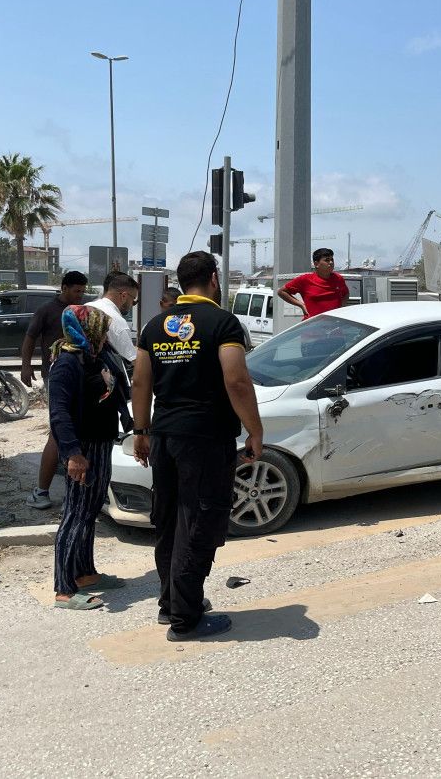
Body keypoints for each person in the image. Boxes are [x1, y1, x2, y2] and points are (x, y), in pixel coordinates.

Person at [131, 250, 264, 641]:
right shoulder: (223, 323)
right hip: (206, 438)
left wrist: (141, 431)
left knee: (170, 520)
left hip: (164, 436)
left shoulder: (155, 325)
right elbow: (236, 381)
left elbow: (140, 382)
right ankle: (185, 619)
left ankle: (171, 603)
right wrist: (254, 431)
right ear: (214, 279)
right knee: (200, 521)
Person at [48, 304, 130, 609]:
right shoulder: (67, 362)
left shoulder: (95, 355)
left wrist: (131, 423)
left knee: (89, 512)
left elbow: (116, 392)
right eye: (102, 329)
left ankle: (85, 574)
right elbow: (58, 413)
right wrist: (73, 454)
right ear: (87, 330)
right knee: (76, 514)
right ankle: (64, 589)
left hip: (101, 443)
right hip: (82, 448)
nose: (106, 335)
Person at [21, 271, 88, 509]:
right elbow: (30, 338)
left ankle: (74, 493)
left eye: (83, 291)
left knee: (72, 429)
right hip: (56, 376)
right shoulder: (47, 310)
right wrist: (26, 366)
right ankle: (42, 491)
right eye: (76, 291)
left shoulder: (82, 311)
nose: (80, 295)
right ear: (64, 288)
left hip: (80, 376)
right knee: (59, 431)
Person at [89, 271, 139, 386]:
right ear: (124, 296)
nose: (132, 304)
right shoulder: (117, 321)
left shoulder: (87, 307)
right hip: (103, 384)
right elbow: (132, 360)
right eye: (133, 300)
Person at [278, 247, 349, 319]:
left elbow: (346, 294)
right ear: (316, 264)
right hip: (312, 324)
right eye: (327, 260)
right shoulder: (305, 279)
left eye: (332, 259)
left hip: (333, 323)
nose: (331, 262)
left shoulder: (338, 278)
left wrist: (341, 308)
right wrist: (301, 305)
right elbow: (281, 292)